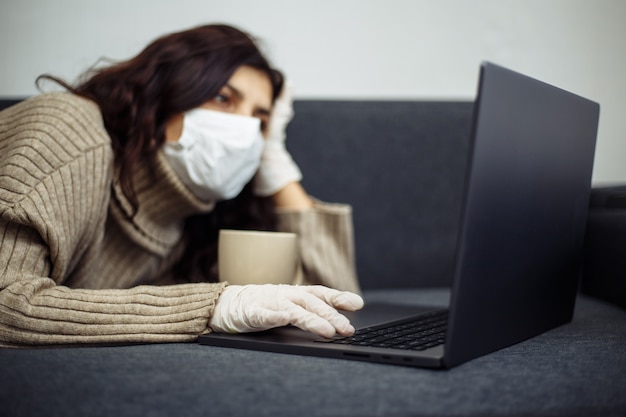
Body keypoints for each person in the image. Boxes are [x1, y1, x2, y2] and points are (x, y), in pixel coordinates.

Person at [0, 24, 363, 347]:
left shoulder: (195, 216)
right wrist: (214, 306)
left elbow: (335, 313)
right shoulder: (68, 129)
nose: (242, 133)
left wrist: (274, 162)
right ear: (165, 95)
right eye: (223, 99)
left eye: (259, 120)